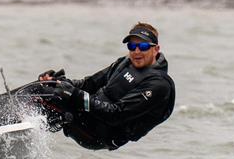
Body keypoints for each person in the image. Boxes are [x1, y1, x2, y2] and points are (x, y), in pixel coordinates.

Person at [38, 22, 176, 150]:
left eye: (144, 46)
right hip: (89, 115)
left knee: (54, 98)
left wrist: (73, 94)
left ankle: (24, 124)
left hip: (102, 134)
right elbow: (89, 84)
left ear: (156, 49)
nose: (137, 51)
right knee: (45, 89)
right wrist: (60, 82)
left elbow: (117, 114)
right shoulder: (124, 63)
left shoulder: (159, 85)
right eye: (132, 46)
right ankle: (25, 130)